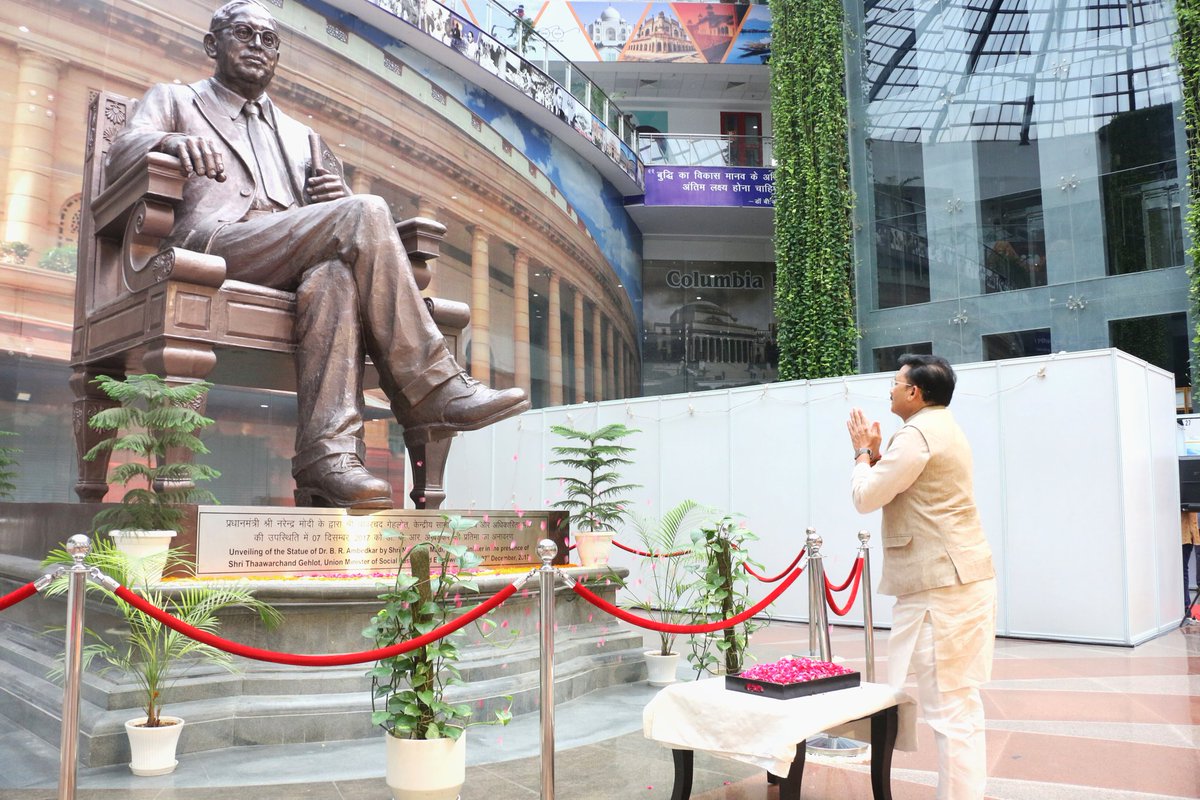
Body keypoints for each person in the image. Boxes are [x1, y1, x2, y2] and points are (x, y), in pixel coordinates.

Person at [106, 0, 529, 509]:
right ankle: (431, 387)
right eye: (245, 34)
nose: (259, 47)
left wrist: (333, 199)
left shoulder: (300, 134)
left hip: (293, 256)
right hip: (216, 245)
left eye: (270, 40)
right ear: (213, 44)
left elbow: (343, 219)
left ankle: (327, 457)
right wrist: (170, 143)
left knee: (334, 278)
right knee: (364, 211)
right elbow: (122, 153)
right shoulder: (177, 100)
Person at [846, 354, 996, 800]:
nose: (889, 390)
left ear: (914, 392)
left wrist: (859, 453)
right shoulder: (942, 425)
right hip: (955, 580)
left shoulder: (916, 434)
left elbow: (866, 496)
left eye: (895, 383)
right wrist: (875, 453)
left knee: (951, 709)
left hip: (941, 587)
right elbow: (901, 485)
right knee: (959, 705)